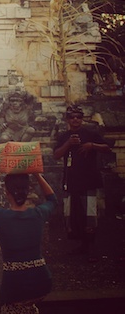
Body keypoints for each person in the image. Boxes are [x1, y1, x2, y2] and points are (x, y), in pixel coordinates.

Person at [0, 160, 58, 313]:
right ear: (28, 191)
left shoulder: (0, 217)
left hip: (16, 286)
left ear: (6, 193)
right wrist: (37, 175)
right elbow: (53, 200)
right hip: (42, 281)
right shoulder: (38, 214)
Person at [53, 103, 111, 261]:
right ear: (68, 120)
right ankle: (82, 245)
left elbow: (107, 147)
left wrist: (92, 145)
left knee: (90, 214)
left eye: (79, 117)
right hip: (71, 180)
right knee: (74, 214)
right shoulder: (64, 136)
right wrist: (68, 144)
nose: (76, 120)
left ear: (82, 119)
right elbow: (56, 155)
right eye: (72, 117)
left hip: (89, 179)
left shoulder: (91, 133)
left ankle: (90, 246)